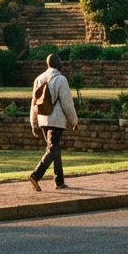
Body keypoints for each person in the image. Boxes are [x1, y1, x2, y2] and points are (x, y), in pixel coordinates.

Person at [28, 53, 78, 191]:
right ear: (58, 64)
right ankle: (36, 175)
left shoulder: (39, 79)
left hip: (43, 119)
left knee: (54, 149)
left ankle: (59, 181)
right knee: (52, 149)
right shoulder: (61, 79)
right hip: (56, 120)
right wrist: (74, 121)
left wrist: (34, 123)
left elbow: (34, 103)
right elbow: (67, 103)